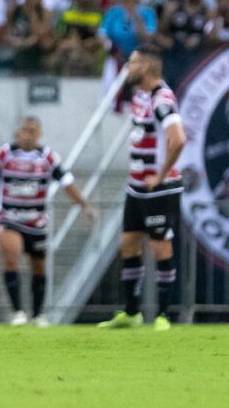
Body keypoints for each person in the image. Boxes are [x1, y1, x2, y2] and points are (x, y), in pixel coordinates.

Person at [0, 117, 95, 326]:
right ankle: (18, 312)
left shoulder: (47, 157)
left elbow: (67, 183)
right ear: (18, 132)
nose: (28, 135)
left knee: (38, 267)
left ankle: (38, 314)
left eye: (33, 131)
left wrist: (85, 206)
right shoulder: (4, 154)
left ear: (39, 134)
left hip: (36, 221)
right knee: (12, 257)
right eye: (25, 130)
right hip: (9, 218)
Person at [98, 44, 185, 332]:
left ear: (147, 67)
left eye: (133, 63)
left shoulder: (162, 99)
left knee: (160, 246)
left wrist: (160, 175)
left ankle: (164, 315)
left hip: (159, 189)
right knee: (129, 244)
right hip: (136, 187)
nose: (128, 68)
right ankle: (131, 312)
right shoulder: (140, 97)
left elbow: (178, 139)